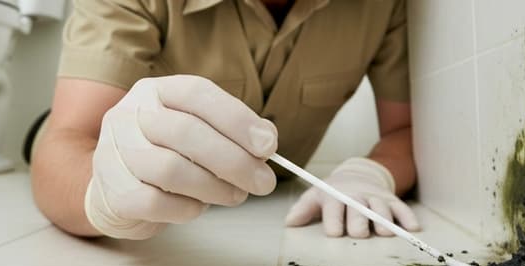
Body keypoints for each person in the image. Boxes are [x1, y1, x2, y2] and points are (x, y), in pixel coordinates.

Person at [26, 0, 421, 240]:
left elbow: (405, 130)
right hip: (104, 141)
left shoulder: (384, 6)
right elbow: (67, 141)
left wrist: (370, 173)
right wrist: (103, 198)